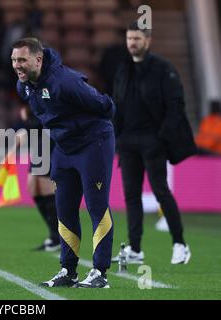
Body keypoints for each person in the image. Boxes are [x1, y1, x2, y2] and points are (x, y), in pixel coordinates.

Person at [11, 38, 116, 288]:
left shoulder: (65, 82)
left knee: (96, 207)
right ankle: (68, 271)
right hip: (64, 148)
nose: (17, 65)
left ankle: (100, 272)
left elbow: (106, 106)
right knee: (64, 209)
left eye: (22, 60)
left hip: (93, 144)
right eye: (14, 60)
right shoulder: (24, 86)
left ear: (38, 59)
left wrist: (81, 127)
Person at [112, 22, 197, 265]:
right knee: (131, 196)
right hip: (128, 142)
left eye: (137, 39)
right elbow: (117, 105)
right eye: (129, 39)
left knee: (161, 191)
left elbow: (176, 106)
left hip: (153, 140)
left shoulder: (163, 68)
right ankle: (136, 249)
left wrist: (162, 137)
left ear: (148, 41)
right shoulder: (123, 69)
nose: (132, 43)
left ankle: (180, 243)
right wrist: (118, 137)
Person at [12, 105, 60, 252]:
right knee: (34, 188)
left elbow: (46, 118)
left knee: (45, 188)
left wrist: (26, 125)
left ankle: (58, 236)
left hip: (51, 139)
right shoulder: (27, 89)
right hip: (42, 140)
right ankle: (55, 235)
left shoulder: (47, 88)